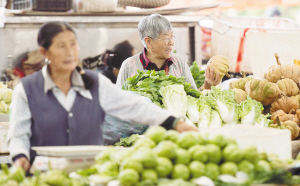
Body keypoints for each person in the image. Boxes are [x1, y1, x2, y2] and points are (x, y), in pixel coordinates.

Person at [7, 21, 198, 171]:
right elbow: (19, 134)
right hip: (45, 175)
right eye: (61, 46)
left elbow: (133, 105)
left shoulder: (95, 83)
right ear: (44, 52)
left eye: (73, 44)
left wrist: (174, 122)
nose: (70, 52)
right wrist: (20, 157)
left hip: (89, 174)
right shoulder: (27, 89)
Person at [116, 14, 220, 89]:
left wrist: (207, 86)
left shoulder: (179, 62)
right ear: (148, 42)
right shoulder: (129, 66)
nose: (172, 43)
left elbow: (193, 97)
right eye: (166, 38)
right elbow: (119, 104)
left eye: (172, 36)